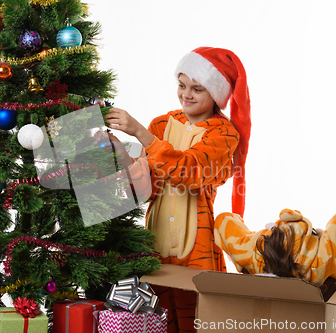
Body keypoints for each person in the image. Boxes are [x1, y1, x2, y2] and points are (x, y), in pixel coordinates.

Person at [105, 47, 251, 332]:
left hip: (196, 249)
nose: (186, 94)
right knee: (158, 322)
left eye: (197, 88)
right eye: (182, 85)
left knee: (198, 321)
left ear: (216, 94)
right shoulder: (160, 125)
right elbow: (145, 187)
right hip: (154, 244)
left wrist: (139, 133)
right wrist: (121, 154)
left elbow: (189, 171)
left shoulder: (224, 134)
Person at [214, 208, 336, 333]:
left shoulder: (253, 252)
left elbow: (223, 220)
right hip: (325, 318)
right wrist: (335, 277)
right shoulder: (318, 263)